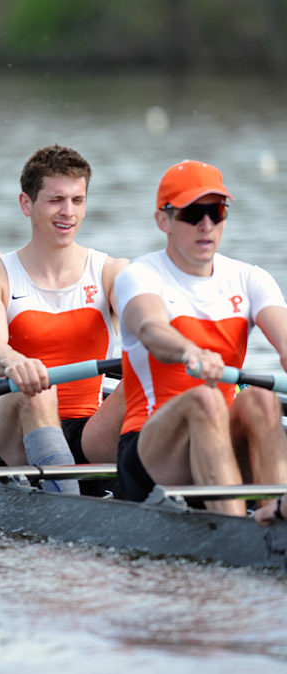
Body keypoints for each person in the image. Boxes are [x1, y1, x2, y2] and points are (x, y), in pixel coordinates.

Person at [115, 160, 287, 516]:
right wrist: (191, 351)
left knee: (260, 399)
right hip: (151, 449)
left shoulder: (250, 278)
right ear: (163, 220)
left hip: (220, 440)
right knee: (205, 400)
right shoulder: (140, 275)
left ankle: (275, 517)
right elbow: (151, 329)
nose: (207, 224)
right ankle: (236, 532)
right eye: (193, 213)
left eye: (216, 211)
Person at [0, 144, 126, 494]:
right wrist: (15, 362)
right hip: (12, 434)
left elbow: (147, 324)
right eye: (56, 200)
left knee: (146, 374)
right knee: (39, 390)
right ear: (27, 204)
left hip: (87, 432)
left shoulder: (112, 272)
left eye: (77, 200)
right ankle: (68, 511)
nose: (68, 212)